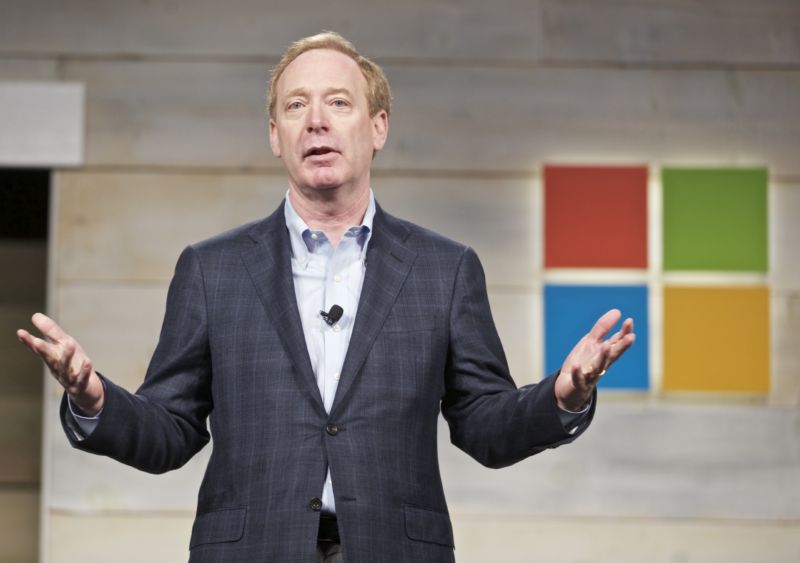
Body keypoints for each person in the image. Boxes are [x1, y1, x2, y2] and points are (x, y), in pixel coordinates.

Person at [17, 32, 635, 563]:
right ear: (275, 135)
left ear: (378, 128)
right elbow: (170, 430)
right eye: (296, 105)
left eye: (339, 103)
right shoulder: (213, 269)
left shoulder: (444, 270)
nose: (316, 120)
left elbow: (485, 426)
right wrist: (93, 397)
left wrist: (563, 393)